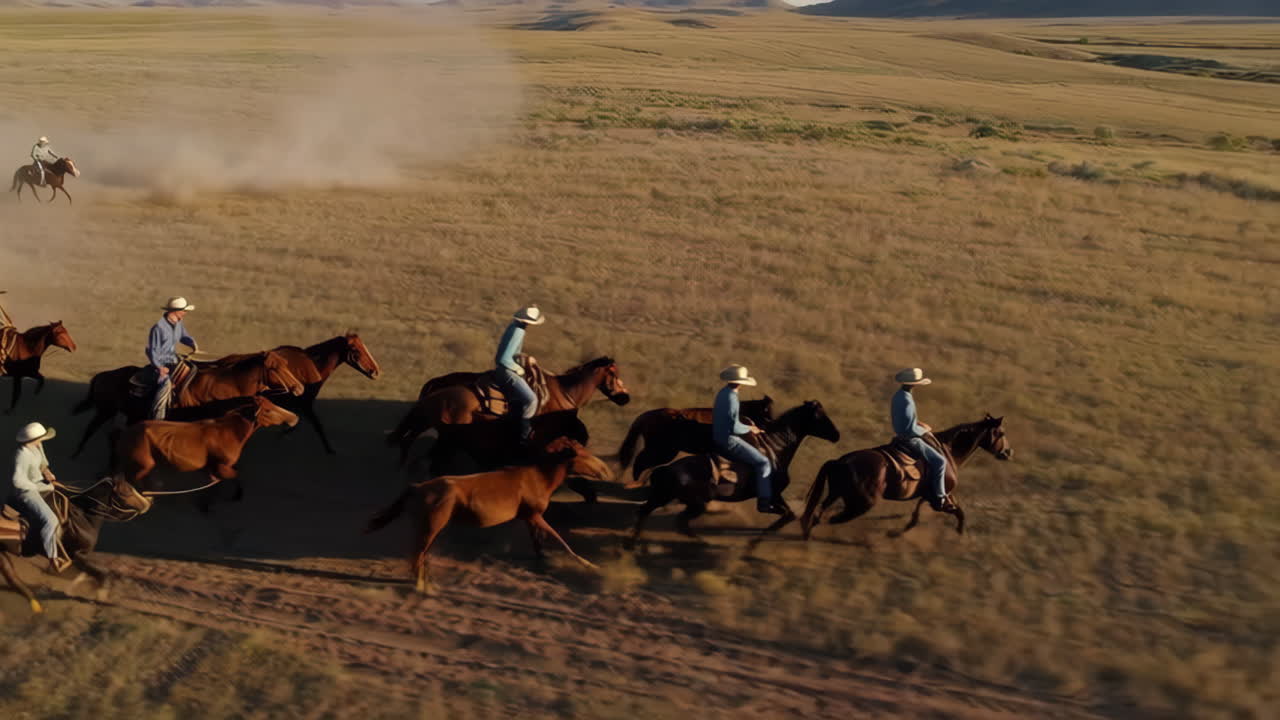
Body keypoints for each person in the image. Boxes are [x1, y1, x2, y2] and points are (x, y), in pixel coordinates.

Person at [712, 364, 775, 513]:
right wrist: (751, 428)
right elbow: (734, 427)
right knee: (763, 462)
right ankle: (764, 502)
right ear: (741, 382)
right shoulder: (732, 397)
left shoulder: (723, 392)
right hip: (729, 440)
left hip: (717, 435)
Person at [891, 367, 955, 511]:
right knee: (940, 461)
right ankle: (940, 497)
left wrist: (918, 423)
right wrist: (925, 429)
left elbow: (905, 420)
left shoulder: (898, 395)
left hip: (900, 434)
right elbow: (909, 429)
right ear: (913, 384)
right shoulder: (907, 400)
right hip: (910, 438)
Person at [4, 422, 63, 573]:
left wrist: (48, 474)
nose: (42, 440)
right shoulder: (21, 455)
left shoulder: (37, 445)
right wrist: (40, 487)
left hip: (41, 483)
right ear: (32, 439)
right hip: (27, 491)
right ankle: (52, 557)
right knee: (51, 520)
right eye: (41, 438)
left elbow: (43, 463)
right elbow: (17, 480)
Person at [493, 306, 544, 446]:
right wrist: (519, 369)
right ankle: (523, 437)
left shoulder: (514, 326)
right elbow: (504, 359)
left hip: (506, 369)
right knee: (532, 399)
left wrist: (525, 359)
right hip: (506, 371)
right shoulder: (518, 331)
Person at [146, 297, 198, 420]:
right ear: (175, 311)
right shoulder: (159, 328)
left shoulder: (178, 324)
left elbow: (183, 336)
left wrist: (192, 343)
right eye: (184, 311)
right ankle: (157, 418)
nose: (185, 313)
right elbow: (152, 351)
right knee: (165, 384)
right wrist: (160, 368)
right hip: (161, 364)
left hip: (173, 360)